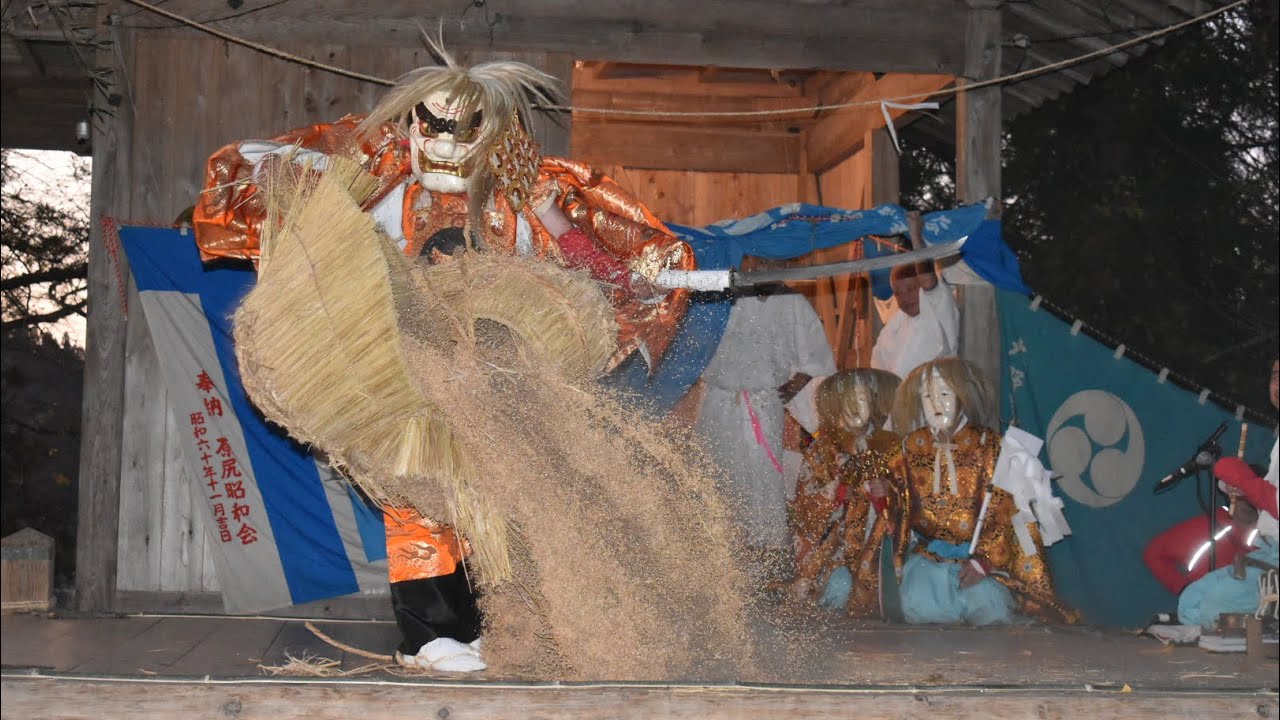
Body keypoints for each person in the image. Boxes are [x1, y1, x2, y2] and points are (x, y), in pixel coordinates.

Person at [190, 41, 694, 671]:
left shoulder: (524, 202)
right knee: (419, 500)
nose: (450, 144)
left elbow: (604, 274)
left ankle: (500, 629)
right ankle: (429, 636)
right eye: (434, 125)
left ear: (494, 134)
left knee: (502, 506)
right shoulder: (384, 192)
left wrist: (552, 220)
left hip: (496, 380)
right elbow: (287, 197)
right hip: (406, 373)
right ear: (410, 125)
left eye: (468, 129)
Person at [891, 357, 1079, 625]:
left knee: (991, 612)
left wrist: (986, 560)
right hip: (927, 560)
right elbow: (895, 499)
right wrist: (882, 495)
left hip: (979, 562)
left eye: (944, 393)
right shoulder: (911, 447)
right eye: (927, 395)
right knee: (917, 608)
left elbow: (1008, 512)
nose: (935, 402)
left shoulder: (989, 446)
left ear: (962, 396)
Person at [694, 269, 836, 571]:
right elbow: (696, 349)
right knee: (720, 476)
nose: (762, 266)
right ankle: (721, 562)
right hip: (720, 404)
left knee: (763, 479)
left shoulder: (793, 301)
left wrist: (792, 387)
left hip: (763, 404)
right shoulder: (721, 297)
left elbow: (817, 357)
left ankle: (764, 562)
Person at [786, 369, 905, 617]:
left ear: (873, 402)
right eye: (846, 401)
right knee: (838, 589)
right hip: (836, 543)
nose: (854, 407)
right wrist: (836, 493)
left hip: (879, 538)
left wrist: (889, 493)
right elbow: (805, 504)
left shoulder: (891, 445)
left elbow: (911, 492)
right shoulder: (823, 448)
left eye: (861, 399)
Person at [1176, 359, 1279, 629]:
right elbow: (1268, 503)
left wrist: (1246, 481)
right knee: (1190, 604)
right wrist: (1246, 489)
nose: (1278, 382)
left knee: (1214, 610)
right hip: (1268, 551)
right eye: (1275, 375)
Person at [870, 261, 959, 380]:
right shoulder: (893, 327)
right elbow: (878, 369)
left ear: (922, 286)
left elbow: (929, 283)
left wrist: (918, 247)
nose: (905, 298)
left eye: (911, 289)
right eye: (898, 293)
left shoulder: (936, 305)